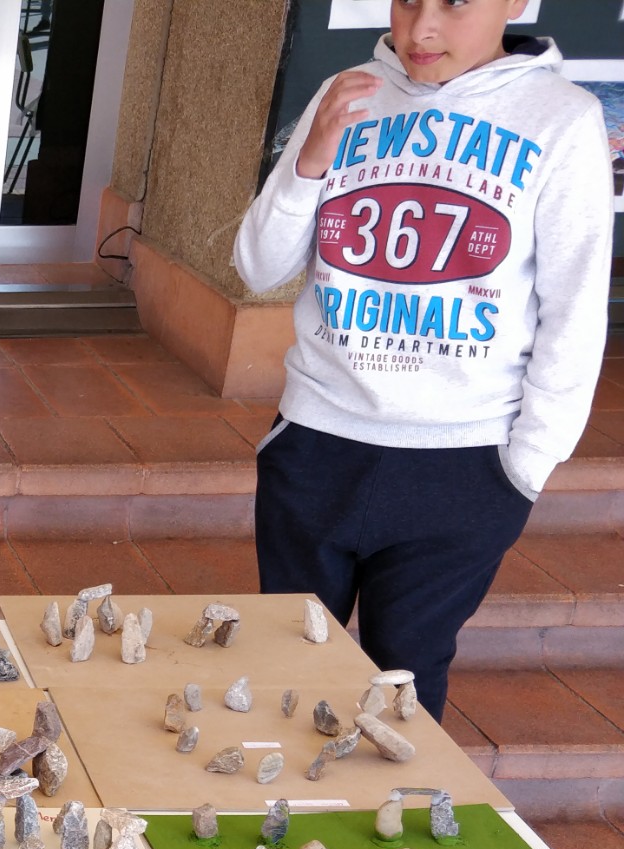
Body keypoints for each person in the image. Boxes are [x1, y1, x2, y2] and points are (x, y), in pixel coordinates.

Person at [234, 0, 610, 722]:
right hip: (317, 442)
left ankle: (394, 800)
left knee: (405, 676)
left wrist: (525, 466)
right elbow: (258, 267)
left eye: (455, 3)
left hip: (463, 463)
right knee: (283, 661)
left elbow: (574, 310)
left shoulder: (562, 119)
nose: (422, 28)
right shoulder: (347, 93)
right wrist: (309, 164)